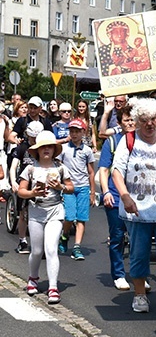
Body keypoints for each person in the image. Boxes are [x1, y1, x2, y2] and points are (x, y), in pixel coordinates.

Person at [112, 98, 156, 314]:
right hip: (137, 210)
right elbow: (117, 171)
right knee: (139, 253)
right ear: (137, 121)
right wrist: (124, 196)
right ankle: (140, 295)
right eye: (144, 120)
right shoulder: (128, 140)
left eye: (153, 119)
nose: (150, 124)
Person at [18, 130, 74, 304]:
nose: (47, 150)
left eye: (50, 146)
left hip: (55, 211)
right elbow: (20, 191)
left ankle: (53, 287)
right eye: (43, 147)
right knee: (36, 251)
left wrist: (60, 187)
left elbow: (71, 187)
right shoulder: (31, 168)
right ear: (37, 150)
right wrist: (33, 192)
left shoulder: (60, 167)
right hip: (36, 211)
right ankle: (33, 277)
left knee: (51, 249)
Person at [98, 104, 137, 291]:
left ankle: (138, 274)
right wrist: (105, 192)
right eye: (126, 120)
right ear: (120, 123)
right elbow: (104, 169)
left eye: (132, 119)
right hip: (115, 196)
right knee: (118, 236)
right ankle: (119, 274)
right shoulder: (112, 142)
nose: (129, 123)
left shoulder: (143, 140)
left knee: (139, 238)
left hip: (138, 196)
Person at [56, 118, 96, 260]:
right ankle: (65, 236)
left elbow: (91, 172)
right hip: (68, 187)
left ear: (83, 132)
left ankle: (77, 246)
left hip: (83, 186)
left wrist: (92, 191)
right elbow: (58, 167)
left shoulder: (87, 150)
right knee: (69, 216)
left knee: (81, 218)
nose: (74, 134)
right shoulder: (65, 149)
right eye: (72, 131)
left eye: (77, 132)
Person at [10, 121, 45, 254]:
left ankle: (40, 242)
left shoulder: (43, 148)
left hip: (39, 182)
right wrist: (13, 181)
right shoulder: (21, 148)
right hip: (25, 184)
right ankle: (22, 240)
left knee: (41, 213)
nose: (34, 140)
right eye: (32, 137)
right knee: (23, 213)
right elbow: (14, 166)